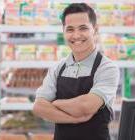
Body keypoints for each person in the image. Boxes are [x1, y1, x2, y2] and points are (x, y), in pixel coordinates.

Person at [33, 3, 120, 140]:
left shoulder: (107, 68)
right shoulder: (57, 68)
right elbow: (39, 107)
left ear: (95, 30)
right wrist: (76, 119)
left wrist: (56, 103)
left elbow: (86, 106)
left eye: (83, 28)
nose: (76, 35)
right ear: (63, 32)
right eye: (70, 29)